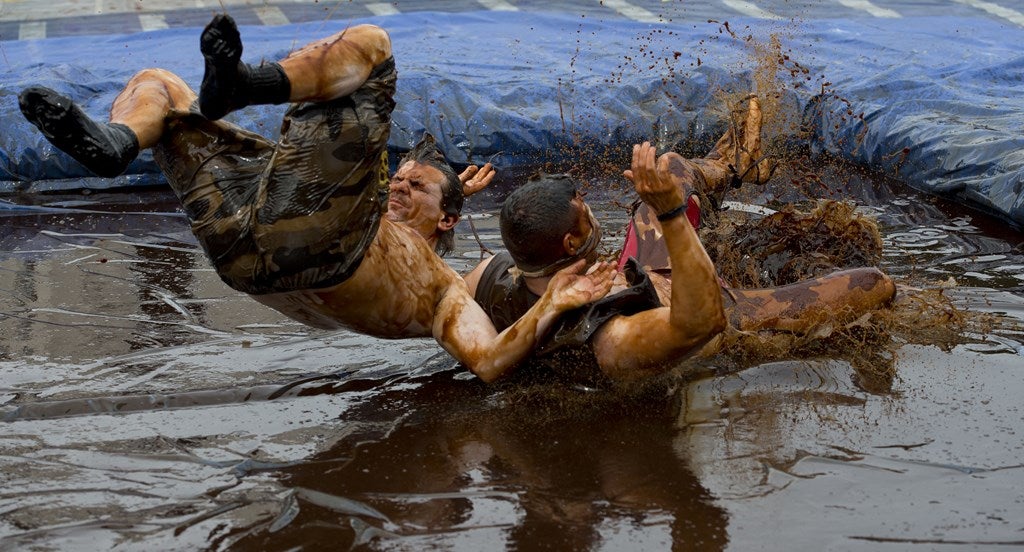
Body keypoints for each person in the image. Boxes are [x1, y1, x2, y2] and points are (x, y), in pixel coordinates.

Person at [17, 14, 614, 383]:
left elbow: (488, 360)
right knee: (160, 84)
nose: (401, 184)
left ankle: (247, 84)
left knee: (375, 45)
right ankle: (116, 145)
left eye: (417, 185)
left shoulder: (442, 289)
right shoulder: (375, 208)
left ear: (448, 217)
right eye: (399, 177)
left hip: (322, 245)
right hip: (243, 246)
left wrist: (553, 302)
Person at [464, 138, 897, 384]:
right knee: (872, 283)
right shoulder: (612, 335)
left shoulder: (492, 274)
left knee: (670, 165)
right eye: (588, 213)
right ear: (572, 240)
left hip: (644, 276)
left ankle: (735, 165)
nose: (595, 216)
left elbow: (427, 296)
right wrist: (670, 214)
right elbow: (701, 321)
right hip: (721, 306)